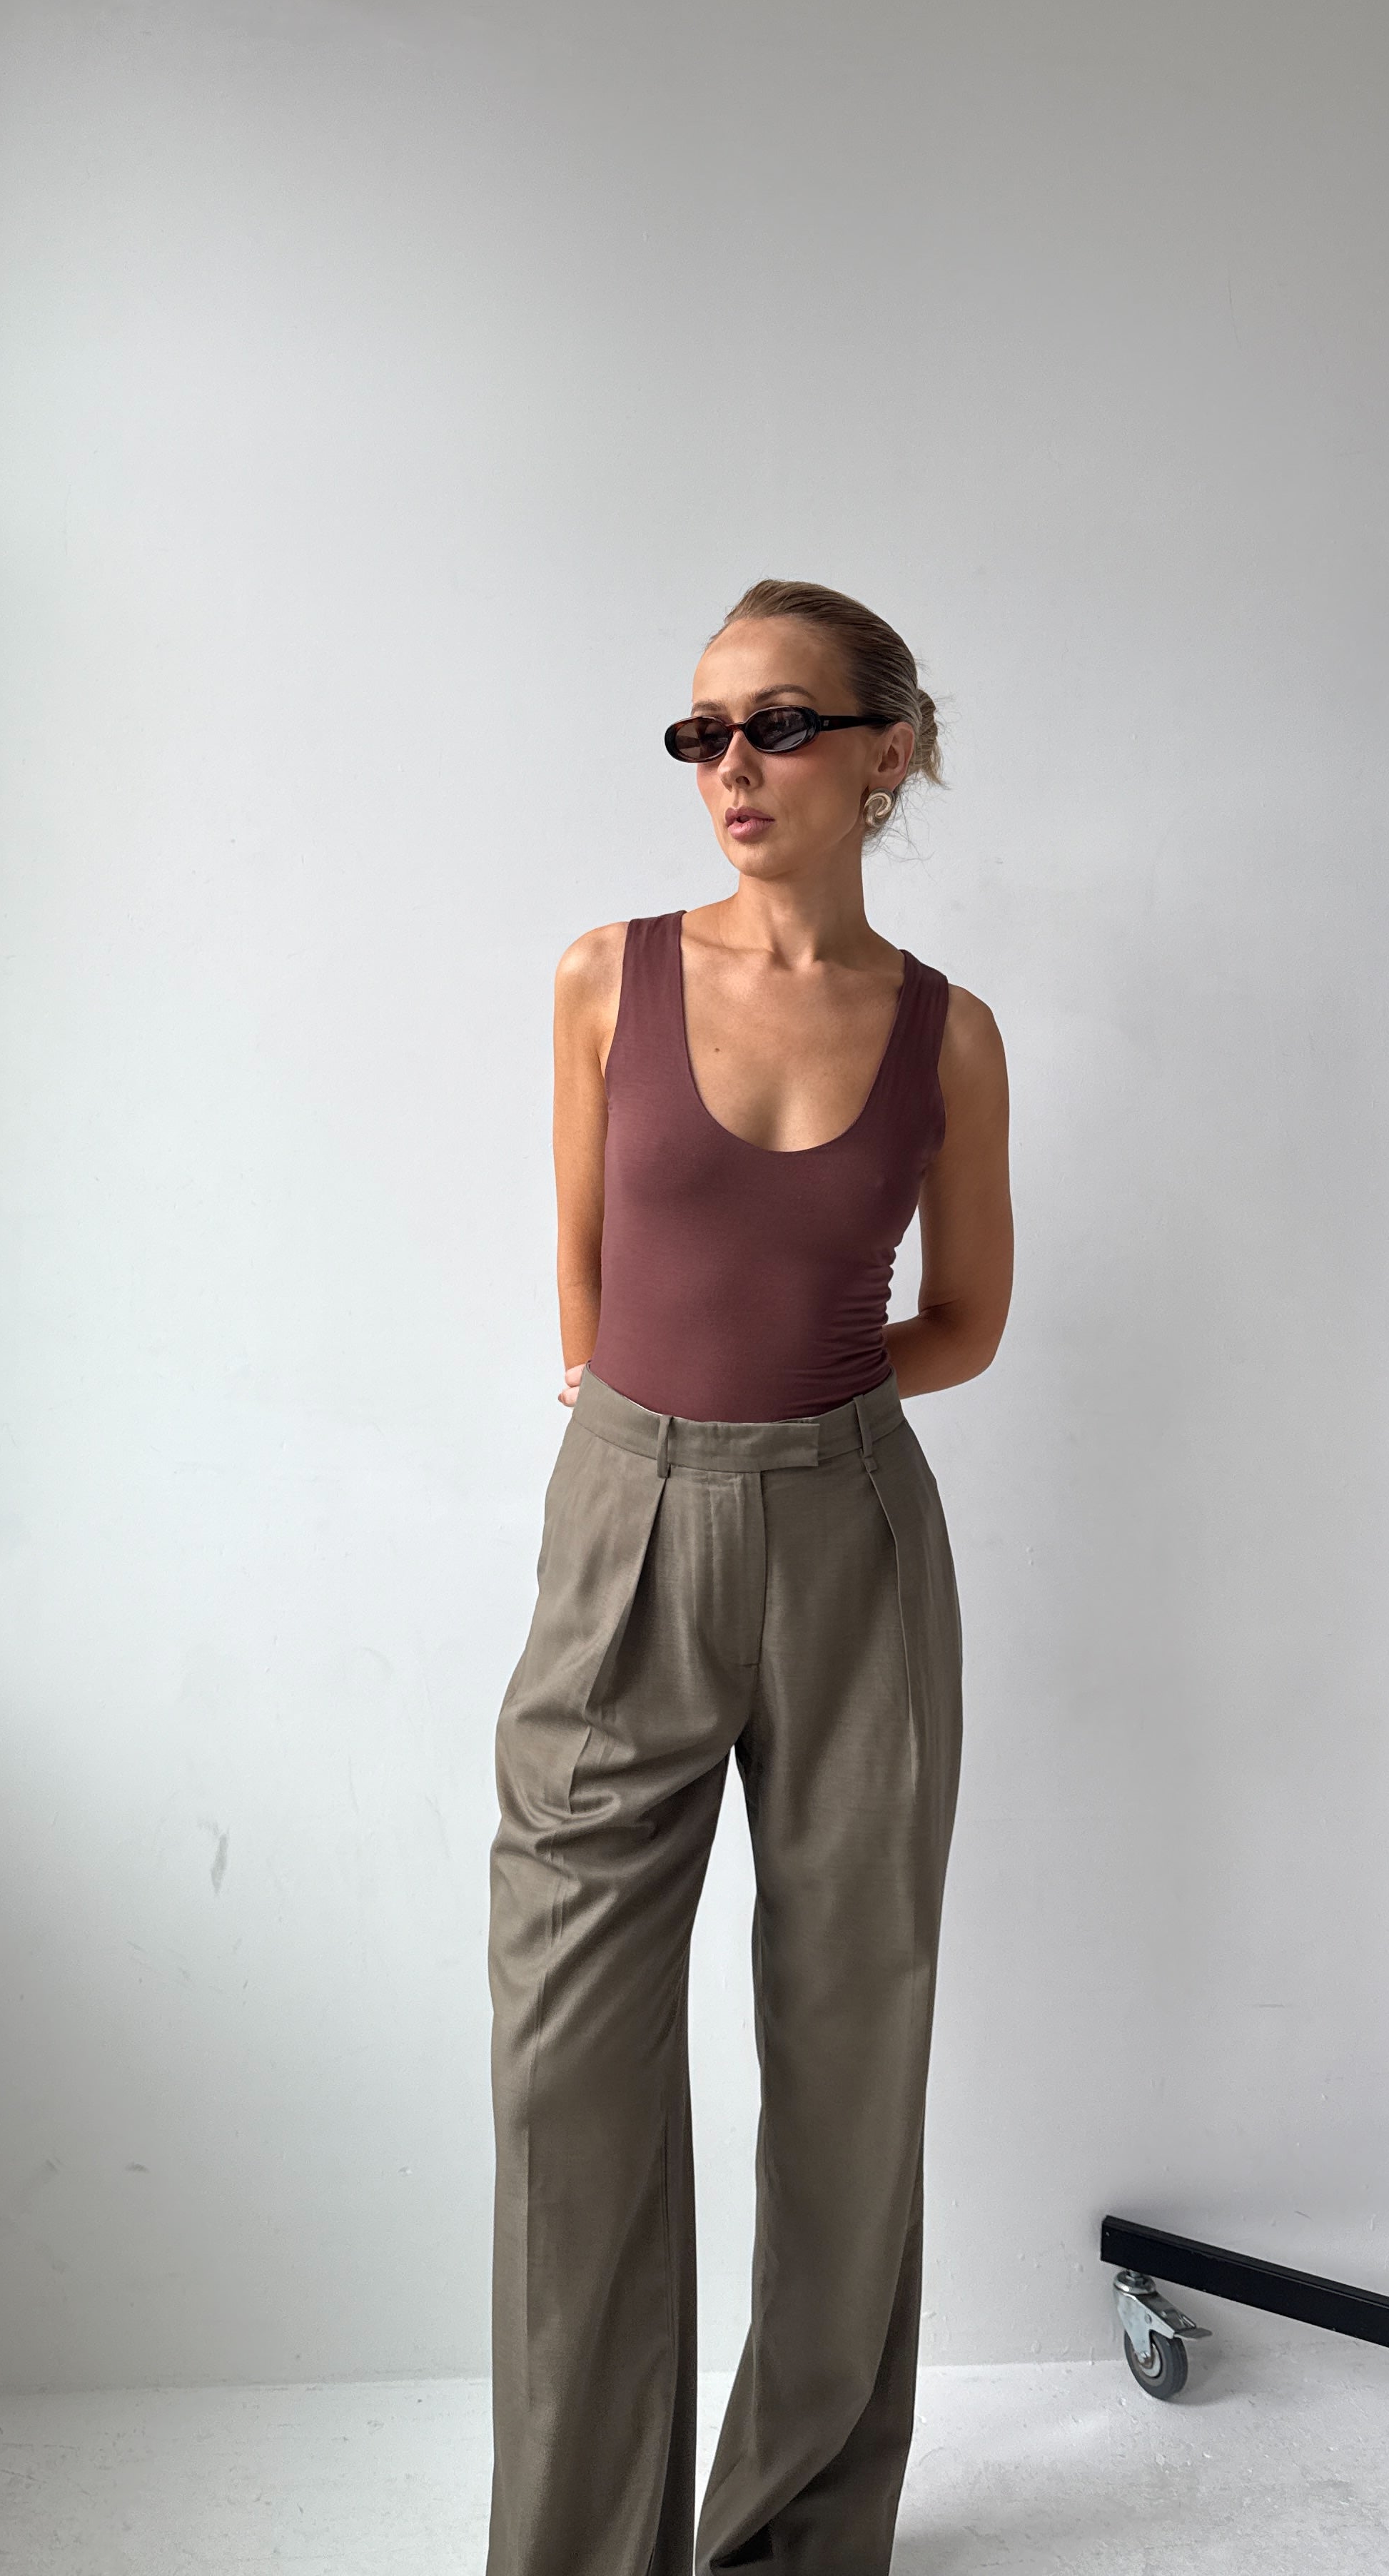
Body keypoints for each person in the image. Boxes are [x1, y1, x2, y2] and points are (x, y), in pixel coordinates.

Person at [485, 577, 1014, 2576]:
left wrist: (808, 1385)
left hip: (857, 1540)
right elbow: (588, 1279)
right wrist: (663, 1431)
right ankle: (574, 2548)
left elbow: (963, 1313)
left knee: (853, 2039)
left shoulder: (945, 1036)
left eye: (779, 726)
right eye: (703, 733)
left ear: (888, 750)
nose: (733, 769)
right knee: (567, 2062)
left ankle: (796, 2535)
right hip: (623, 1524)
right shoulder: (602, 978)